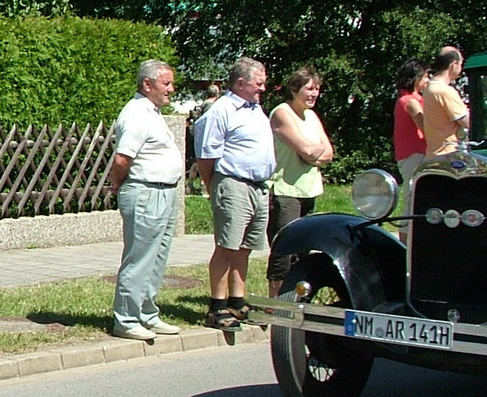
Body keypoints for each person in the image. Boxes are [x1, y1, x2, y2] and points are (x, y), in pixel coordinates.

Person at [191, 57, 275, 330]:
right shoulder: (222, 110)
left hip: (258, 186)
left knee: (244, 247)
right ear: (240, 83)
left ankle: (237, 301)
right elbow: (206, 156)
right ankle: (217, 307)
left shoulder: (255, 110)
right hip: (233, 183)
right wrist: (212, 186)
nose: (263, 88)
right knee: (227, 246)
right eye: (258, 83)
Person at [106, 59, 185, 341]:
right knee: (139, 257)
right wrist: (117, 184)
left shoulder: (152, 112)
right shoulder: (137, 114)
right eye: (167, 84)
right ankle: (126, 319)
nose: (172, 89)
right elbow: (122, 158)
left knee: (157, 257)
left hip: (165, 191)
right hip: (145, 192)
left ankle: (147, 314)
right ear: (147, 84)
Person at [266, 66, 334, 294]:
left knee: (303, 252)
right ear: (295, 89)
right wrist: (313, 152)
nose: (314, 94)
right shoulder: (282, 112)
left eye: (317, 89)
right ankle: (275, 304)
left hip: (309, 190)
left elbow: (329, 153)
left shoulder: (311, 116)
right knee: (283, 251)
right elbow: (305, 149)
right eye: (309, 89)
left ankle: (296, 300)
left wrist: (313, 153)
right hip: (286, 191)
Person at [421, 46, 469, 156]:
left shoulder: (429, 88)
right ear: (454, 64)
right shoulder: (445, 91)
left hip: (434, 153)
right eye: (461, 64)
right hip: (449, 154)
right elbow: (468, 122)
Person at [392, 59, 428, 180]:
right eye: (425, 77)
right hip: (414, 153)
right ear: (416, 78)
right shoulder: (411, 102)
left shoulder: (405, 99)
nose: (428, 80)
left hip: (410, 154)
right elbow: (425, 127)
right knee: (414, 189)